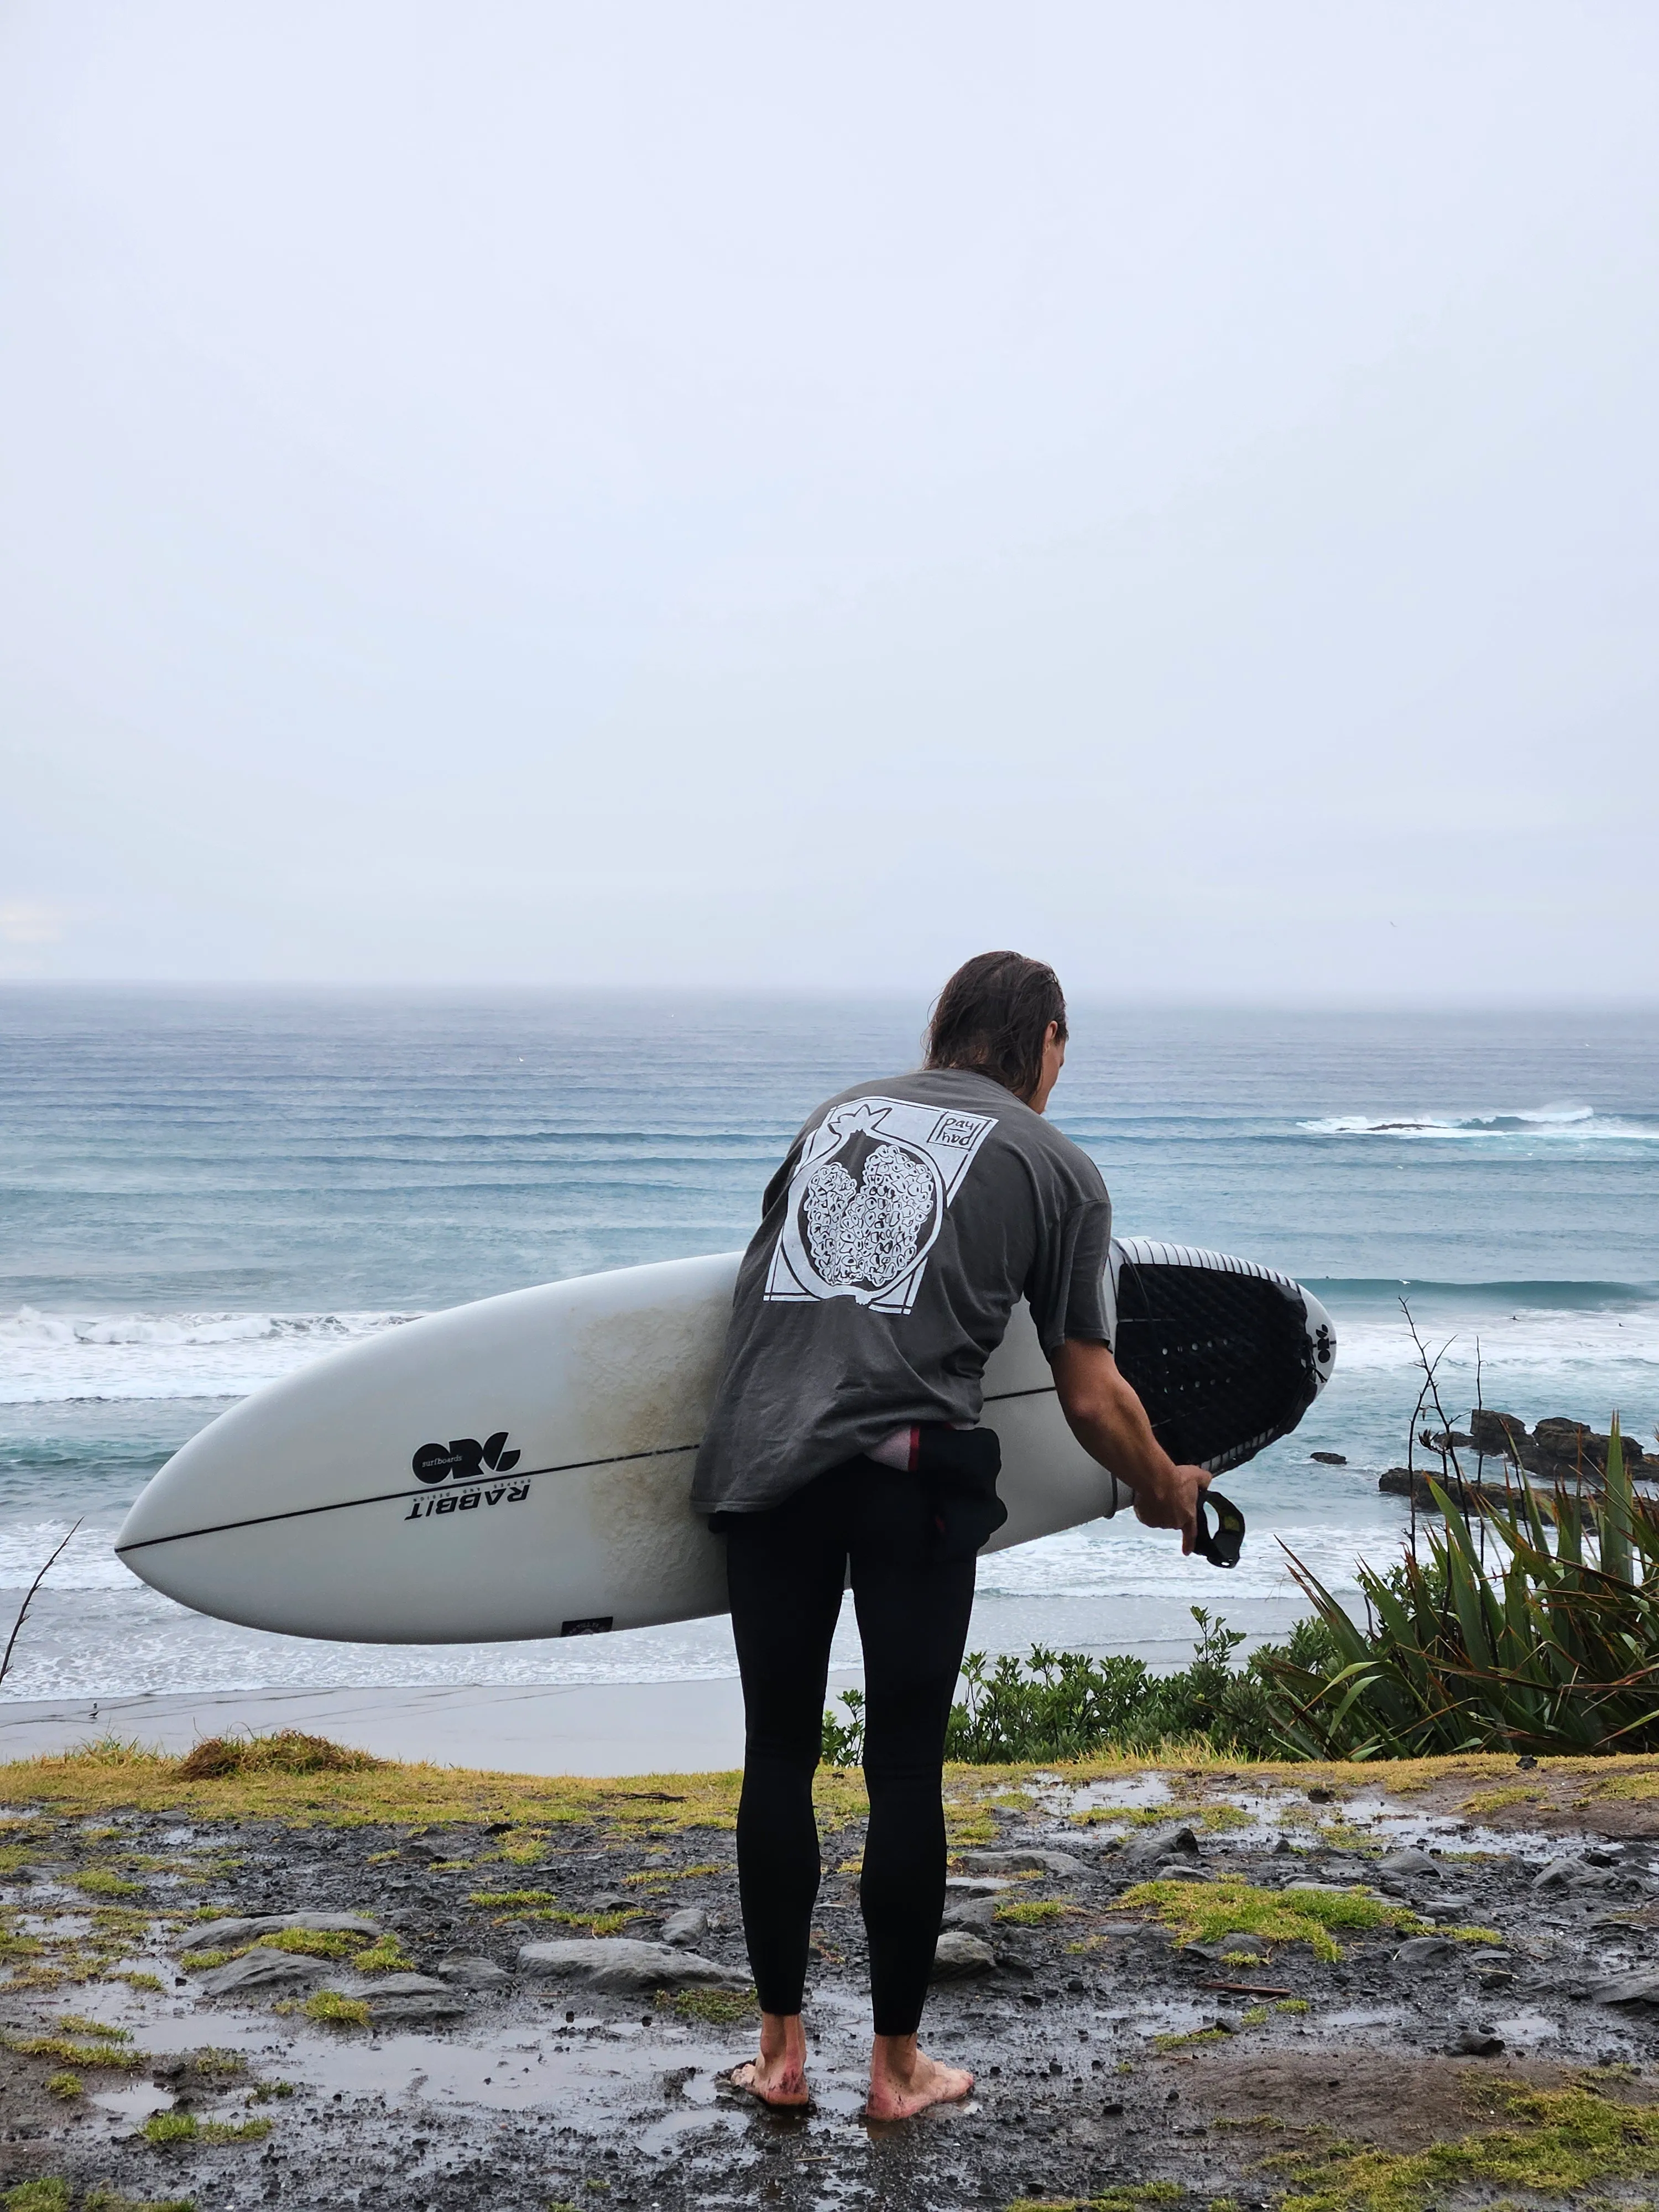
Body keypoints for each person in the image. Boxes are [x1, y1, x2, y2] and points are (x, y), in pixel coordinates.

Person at [691, 951, 1211, 2119]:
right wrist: (1163, 1484)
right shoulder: (1059, 1168)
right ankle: (895, 2067)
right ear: (1047, 1044)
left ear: (942, 1028)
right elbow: (1089, 1392)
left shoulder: (839, 1116)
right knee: (902, 1764)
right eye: (1063, 1055)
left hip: (763, 1459)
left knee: (778, 1748)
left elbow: (768, 1287)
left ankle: (778, 2056)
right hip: (909, 1477)